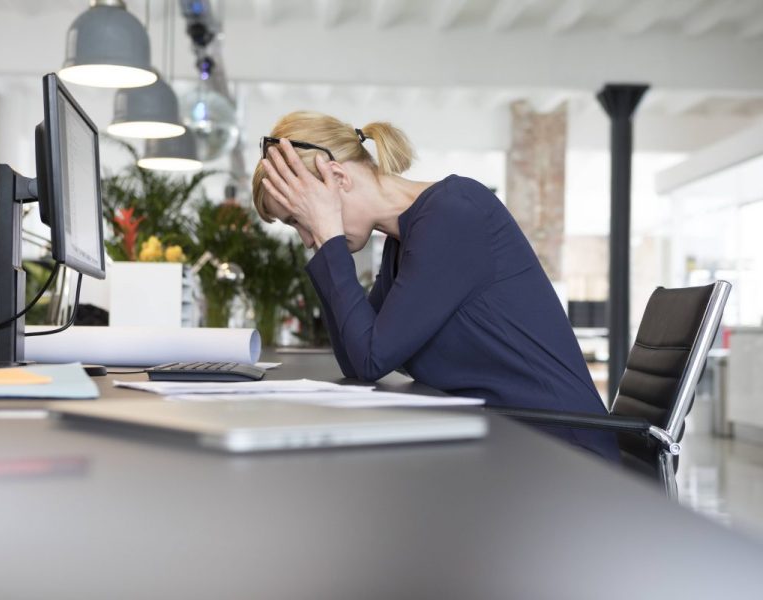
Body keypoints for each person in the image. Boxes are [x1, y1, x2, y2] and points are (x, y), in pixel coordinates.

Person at [252, 111, 620, 462]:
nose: (307, 237)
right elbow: (355, 358)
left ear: (338, 178)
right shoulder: (403, 241)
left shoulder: (453, 215)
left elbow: (369, 358)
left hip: (560, 453)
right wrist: (327, 240)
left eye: (301, 218)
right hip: (502, 441)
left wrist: (329, 234)